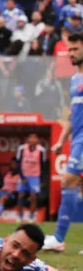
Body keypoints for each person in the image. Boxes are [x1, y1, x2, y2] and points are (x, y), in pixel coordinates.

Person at [47, 32, 83, 253]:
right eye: (69, 50)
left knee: (68, 180)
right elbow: (73, 114)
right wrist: (61, 140)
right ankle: (58, 238)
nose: (71, 53)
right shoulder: (74, 79)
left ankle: (59, 237)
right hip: (77, 137)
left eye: (75, 48)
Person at [16, 133, 46, 223]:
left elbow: (43, 165)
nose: (33, 140)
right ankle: (20, 216)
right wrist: (22, 176)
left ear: (37, 140)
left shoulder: (41, 150)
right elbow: (18, 163)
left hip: (34, 176)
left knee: (33, 197)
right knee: (21, 195)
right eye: (31, 138)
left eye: (35, 138)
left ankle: (31, 216)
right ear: (28, 139)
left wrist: (41, 179)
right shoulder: (22, 148)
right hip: (23, 175)